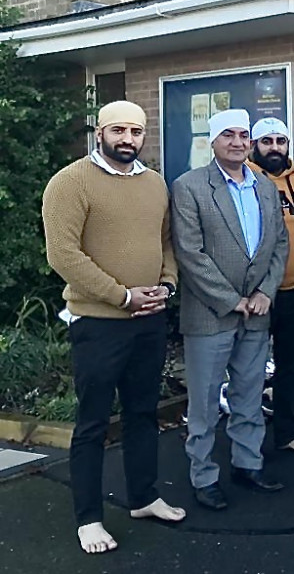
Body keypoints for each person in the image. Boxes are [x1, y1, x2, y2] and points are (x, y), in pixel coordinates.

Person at [42, 101, 186, 553]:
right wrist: (121, 295)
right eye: (118, 130)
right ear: (100, 132)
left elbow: (164, 241)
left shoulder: (154, 183)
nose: (128, 139)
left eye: (136, 131)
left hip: (149, 319)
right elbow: (63, 255)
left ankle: (143, 497)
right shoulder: (69, 182)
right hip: (100, 323)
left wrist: (166, 284)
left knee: (143, 413)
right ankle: (88, 518)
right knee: (93, 422)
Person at [171, 109, 289, 510]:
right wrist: (230, 299)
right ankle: (203, 476)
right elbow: (190, 253)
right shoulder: (189, 187)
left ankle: (247, 463)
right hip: (211, 312)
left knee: (249, 392)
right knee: (204, 402)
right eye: (229, 136)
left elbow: (279, 244)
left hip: (257, 310)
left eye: (243, 135)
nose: (237, 142)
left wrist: (266, 292)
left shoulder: (265, 186)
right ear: (213, 141)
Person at [246, 117, 294, 456]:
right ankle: (247, 443)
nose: (274, 147)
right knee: (248, 367)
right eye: (266, 141)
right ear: (253, 145)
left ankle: (287, 433)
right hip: (257, 294)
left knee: (291, 365)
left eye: (280, 140)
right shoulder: (244, 180)